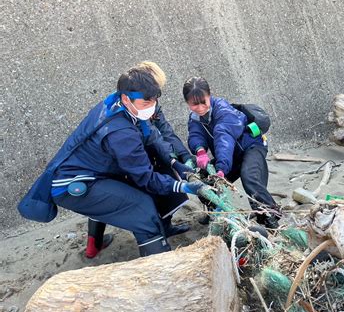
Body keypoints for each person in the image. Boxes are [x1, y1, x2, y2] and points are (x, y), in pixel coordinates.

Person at [48, 66, 207, 258]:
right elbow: (145, 178)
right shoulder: (121, 133)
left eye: (155, 100)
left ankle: (94, 245)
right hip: (73, 185)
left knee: (129, 196)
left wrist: (175, 164)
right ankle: (162, 267)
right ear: (126, 98)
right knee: (142, 208)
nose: (152, 105)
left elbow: (152, 136)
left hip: (92, 172)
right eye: (146, 101)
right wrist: (183, 187)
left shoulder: (119, 105)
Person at [84, 62, 196, 258]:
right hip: (125, 159)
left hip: (107, 166)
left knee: (109, 193)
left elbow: (163, 132)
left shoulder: (125, 101)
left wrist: (182, 157)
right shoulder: (126, 115)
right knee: (144, 199)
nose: (153, 101)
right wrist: (175, 170)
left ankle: (93, 244)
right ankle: (156, 241)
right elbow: (156, 137)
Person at [183, 77, 281, 228]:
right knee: (204, 180)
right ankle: (215, 212)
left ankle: (269, 218)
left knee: (250, 177)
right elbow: (196, 135)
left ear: (210, 96)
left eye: (203, 101)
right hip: (230, 155)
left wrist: (222, 169)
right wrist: (200, 151)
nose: (200, 107)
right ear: (187, 103)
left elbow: (224, 140)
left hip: (250, 147)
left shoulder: (223, 110)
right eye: (194, 104)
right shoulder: (195, 117)